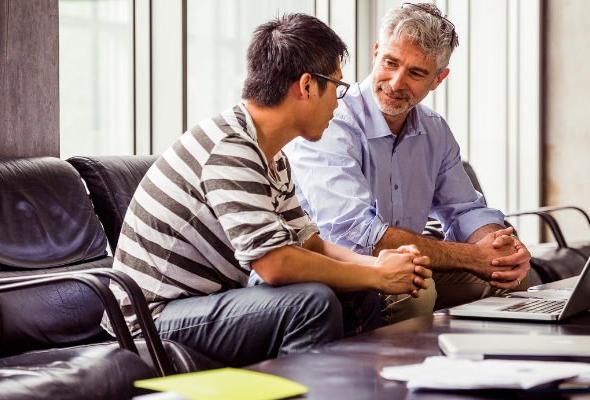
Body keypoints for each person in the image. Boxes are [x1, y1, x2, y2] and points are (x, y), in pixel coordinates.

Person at [101, 13, 432, 367]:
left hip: (204, 305)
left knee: (359, 294)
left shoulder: (271, 156)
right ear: (307, 86)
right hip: (149, 321)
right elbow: (274, 264)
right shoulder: (230, 149)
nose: (339, 103)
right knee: (312, 304)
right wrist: (378, 273)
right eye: (337, 87)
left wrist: (377, 266)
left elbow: (310, 245)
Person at [284, 3, 531, 324]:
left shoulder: (434, 129)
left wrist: (501, 248)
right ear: (376, 53)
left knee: (509, 276)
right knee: (417, 289)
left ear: (438, 79)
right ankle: (399, 375)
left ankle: (481, 371)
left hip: (407, 266)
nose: (397, 82)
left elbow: (466, 210)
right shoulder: (331, 120)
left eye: (416, 73)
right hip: (341, 268)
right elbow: (355, 234)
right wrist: (473, 256)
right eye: (390, 62)